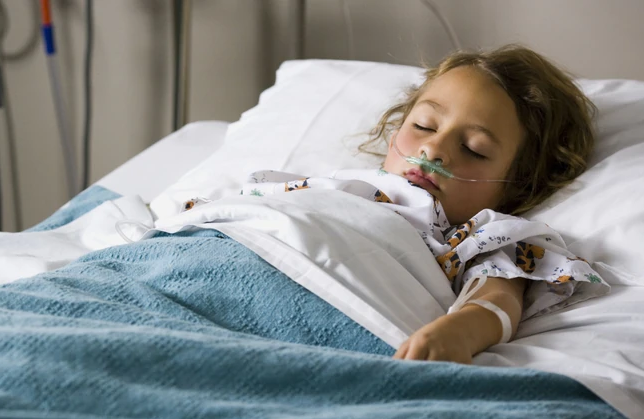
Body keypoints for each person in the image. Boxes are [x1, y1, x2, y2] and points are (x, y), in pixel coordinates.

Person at [198, 45, 607, 364]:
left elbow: (497, 300)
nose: (434, 149)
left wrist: (460, 331)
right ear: (396, 130)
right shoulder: (318, 187)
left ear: (517, 187)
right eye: (424, 125)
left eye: (474, 148)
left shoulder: (478, 237)